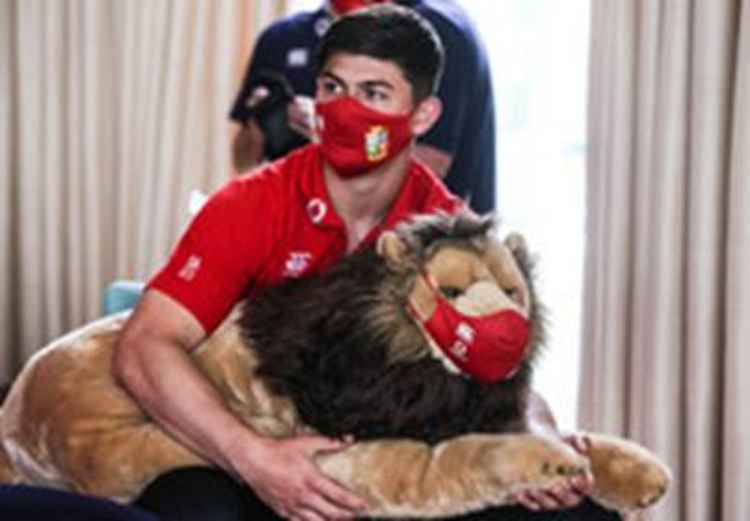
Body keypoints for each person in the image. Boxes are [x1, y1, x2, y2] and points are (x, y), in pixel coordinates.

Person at [114, 6, 616, 521]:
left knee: (579, 516)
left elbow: (505, 380)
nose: (345, 110)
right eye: (333, 88)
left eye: (374, 94)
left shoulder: (447, 229)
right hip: (255, 442)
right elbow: (144, 345)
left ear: (423, 116)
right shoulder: (250, 205)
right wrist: (254, 458)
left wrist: (541, 439)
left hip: (390, 459)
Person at [230, 0, 497, 214]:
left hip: (417, 247)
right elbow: (243, 160)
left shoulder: (437, 29)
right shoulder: (282, 38)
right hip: (303, 239)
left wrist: (333, 131)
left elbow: (429, 166)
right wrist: (263, 121)